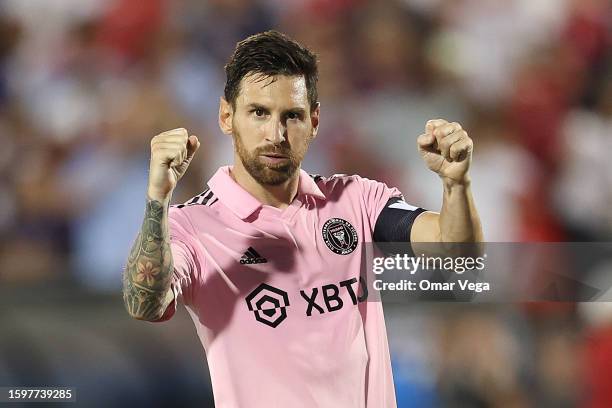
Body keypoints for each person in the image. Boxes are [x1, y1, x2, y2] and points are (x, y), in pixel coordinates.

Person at [123, 30, 483, 408]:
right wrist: (157, 201)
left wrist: (456, 183)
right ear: (226, 116)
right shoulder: (192, 226)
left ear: (314, 121)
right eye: (259, 112)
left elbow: (458, 258)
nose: (276, 134)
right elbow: (145, 304)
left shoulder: (355, 200)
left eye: (291, 116)